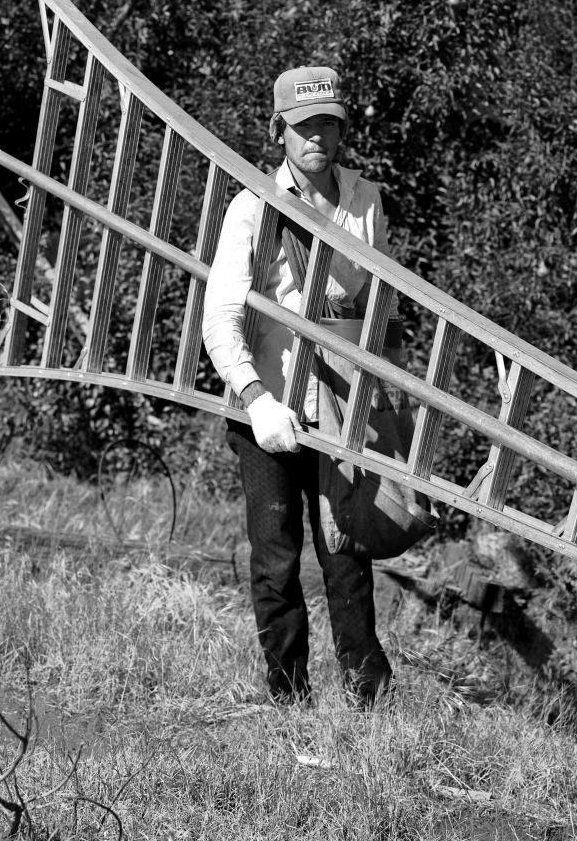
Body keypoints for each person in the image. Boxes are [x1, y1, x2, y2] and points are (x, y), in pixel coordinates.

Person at [202, 65, 398, 708]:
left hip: (342, 403)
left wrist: (382, 393)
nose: (316, 136)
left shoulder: (365, 201)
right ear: (278, 130)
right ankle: (289, 696)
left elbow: (380, 302)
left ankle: (368, 699)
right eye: (303, 125)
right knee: (276, 557)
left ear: (342, 130)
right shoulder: (252, 205)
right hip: (268, 403)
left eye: (327, 124)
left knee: (347, 552)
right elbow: (220, 318)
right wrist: (256, 400)